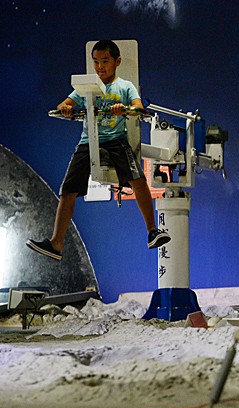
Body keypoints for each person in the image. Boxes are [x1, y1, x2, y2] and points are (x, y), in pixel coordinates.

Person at [27, 40, 170, 261]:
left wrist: (123, 109)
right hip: (88, 143)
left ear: (117, 62)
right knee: (68, 189)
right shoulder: (87, 86)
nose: (100, 67)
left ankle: (152, 231)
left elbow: (139, 107)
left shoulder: (124, 86)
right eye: (96, 62)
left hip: (115, 141)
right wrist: (65, 108)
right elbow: (64, 104)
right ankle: (56, 243)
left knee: (138, 180)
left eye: (105, 61)